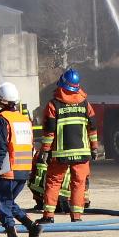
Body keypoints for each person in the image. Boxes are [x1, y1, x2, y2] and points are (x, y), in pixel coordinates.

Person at [0, 83, 41, 237]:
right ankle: (32, 227)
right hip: (24, 170)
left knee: (1, 202)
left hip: (8, 169)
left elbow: (1, 146)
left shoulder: (2, 119)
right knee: (8, 202)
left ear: (0, 100)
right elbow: (31, 145)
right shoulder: (24, 119)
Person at [36, 69, 94, 224]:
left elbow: (49, 132)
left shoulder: (53, 105)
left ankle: (48, 216)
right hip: (82, 152)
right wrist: (94, 147)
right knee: (78, 184)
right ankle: (77, 217)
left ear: (61, 84)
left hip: (60, 153)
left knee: (53, 182)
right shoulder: (85, 104)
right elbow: (92, 128)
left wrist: (45, 151)